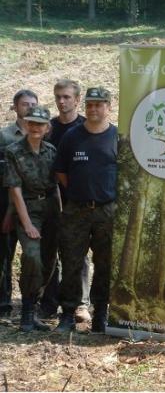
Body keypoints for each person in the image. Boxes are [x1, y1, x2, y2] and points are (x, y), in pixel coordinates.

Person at [54, 87, 117, 333]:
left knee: (105, 265)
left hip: (106, 212)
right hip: (76, 210)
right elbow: (61, 172)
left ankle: (100, 314)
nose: (93, 109)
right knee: (71, 263)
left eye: (98, 104)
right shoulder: (72, 136)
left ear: (108, 107)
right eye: (90, 104)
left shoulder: (116, 137)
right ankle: (67, 314)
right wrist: (80, 193)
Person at [3, 106, 60, 332]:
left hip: (51, 209)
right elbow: (15, 191)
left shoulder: (52, 151)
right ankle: (27, 312)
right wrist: (27, 224)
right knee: (32, 256)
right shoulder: (13, 151)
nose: (36, 127)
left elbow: (55, 187)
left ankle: (34, 307)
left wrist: (61, 213)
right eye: (32, 123)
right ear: (26, 124)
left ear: (47, 128)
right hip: (28, 208)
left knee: (49, 260)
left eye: (40, 124)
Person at [40, 79, 92, 323]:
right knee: (49, 251)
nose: (62, 101)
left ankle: (81, 304)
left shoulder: (87, 127)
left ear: (77, 100)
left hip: (78, 200)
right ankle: (49, 303)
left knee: (78, 254)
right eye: (58, 96)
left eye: (67, 97)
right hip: (50, 199)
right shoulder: (47, 128)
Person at [0, 89, 37, 318]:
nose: (29, 107)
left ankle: (33, 302)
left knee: (34, 254)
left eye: (34, 103)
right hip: (5, 201)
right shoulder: (4, 136)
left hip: (34, 204)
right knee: (4, 251)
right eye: (25, 104)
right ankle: (4, 302)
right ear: (15, 107)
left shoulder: (42, 133)